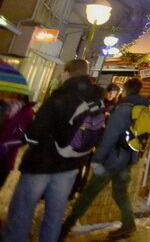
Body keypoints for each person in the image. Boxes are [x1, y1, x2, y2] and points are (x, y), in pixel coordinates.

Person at [3, 59, 104, 242]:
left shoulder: (61, 96)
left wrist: (25, 133)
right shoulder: (96, 98)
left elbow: (35, 134)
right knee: (55, 213)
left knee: (22, 210)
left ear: (67, 72)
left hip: (42, 163)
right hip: (71, 164)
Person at [60, 78, 149, 240]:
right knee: (120, 192)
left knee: (89, 193)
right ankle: (128, 224)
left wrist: (97, 158)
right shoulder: (142, 108)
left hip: (112, 159)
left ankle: (65, 227)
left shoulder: (123, 109)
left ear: (126, 90)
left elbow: (110, 137)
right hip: (127, 157)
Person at [1, 92, 35, 190]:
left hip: (5, 158)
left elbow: (25, 137)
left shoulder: (28, 113)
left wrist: (5, 145)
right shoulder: (2, 106)